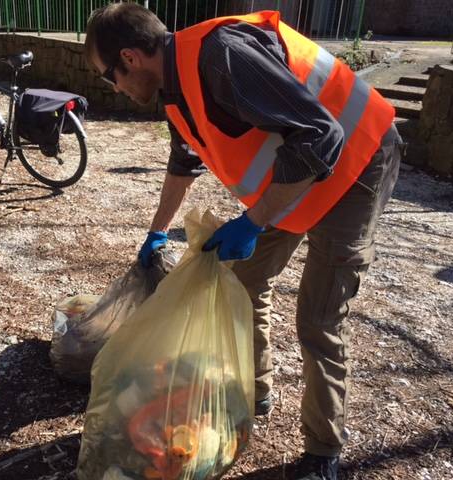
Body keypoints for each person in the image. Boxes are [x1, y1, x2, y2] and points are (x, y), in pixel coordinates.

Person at [84, 4, 403, 480]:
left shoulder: (219, 57)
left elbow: (321, 134)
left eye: (110, 75)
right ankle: (255, 393)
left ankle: (322, 450)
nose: (114, 87)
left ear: (130, 57)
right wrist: (155, 231)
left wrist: (254, 221)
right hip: (301, 173)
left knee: (318, 317)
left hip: (358, 162)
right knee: (246, 280)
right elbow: (182, 164)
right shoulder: (175, 90)